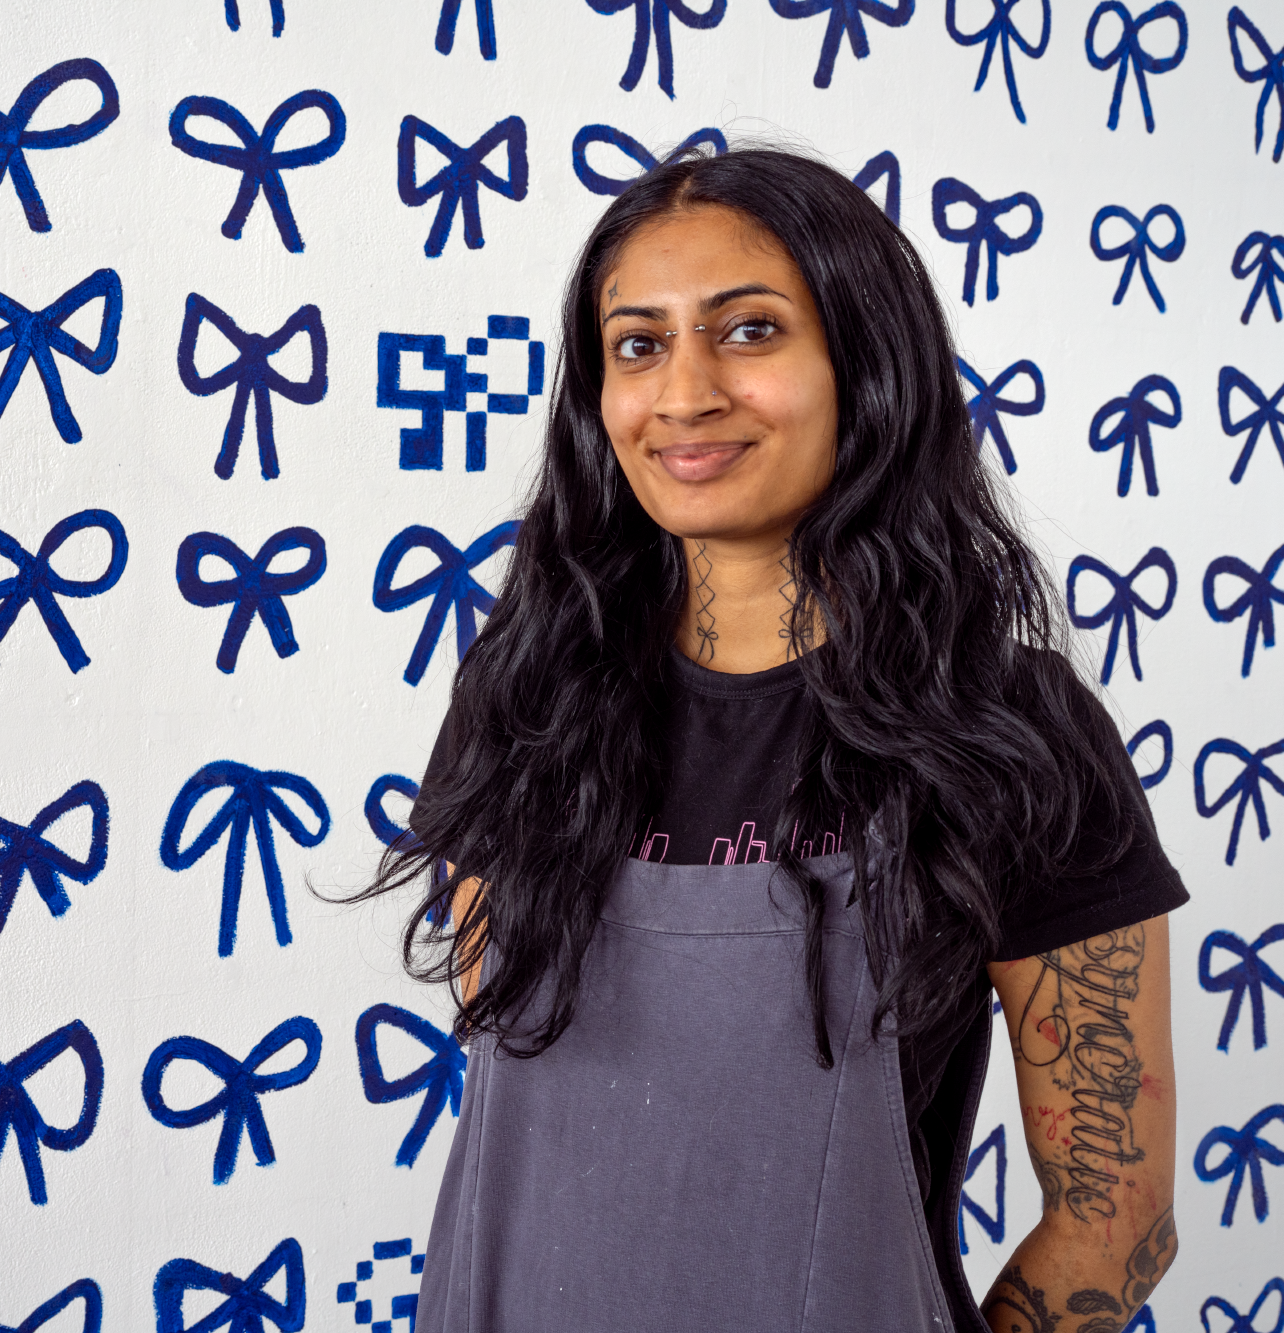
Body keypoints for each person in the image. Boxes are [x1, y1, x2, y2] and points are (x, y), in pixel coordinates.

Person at [368, 147, 1187, 1332]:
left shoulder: (1010, 732)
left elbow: (1119, 1216)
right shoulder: (526, 699)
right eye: (637, 344)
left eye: (748, 333)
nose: (684, 392)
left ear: (867, 366)